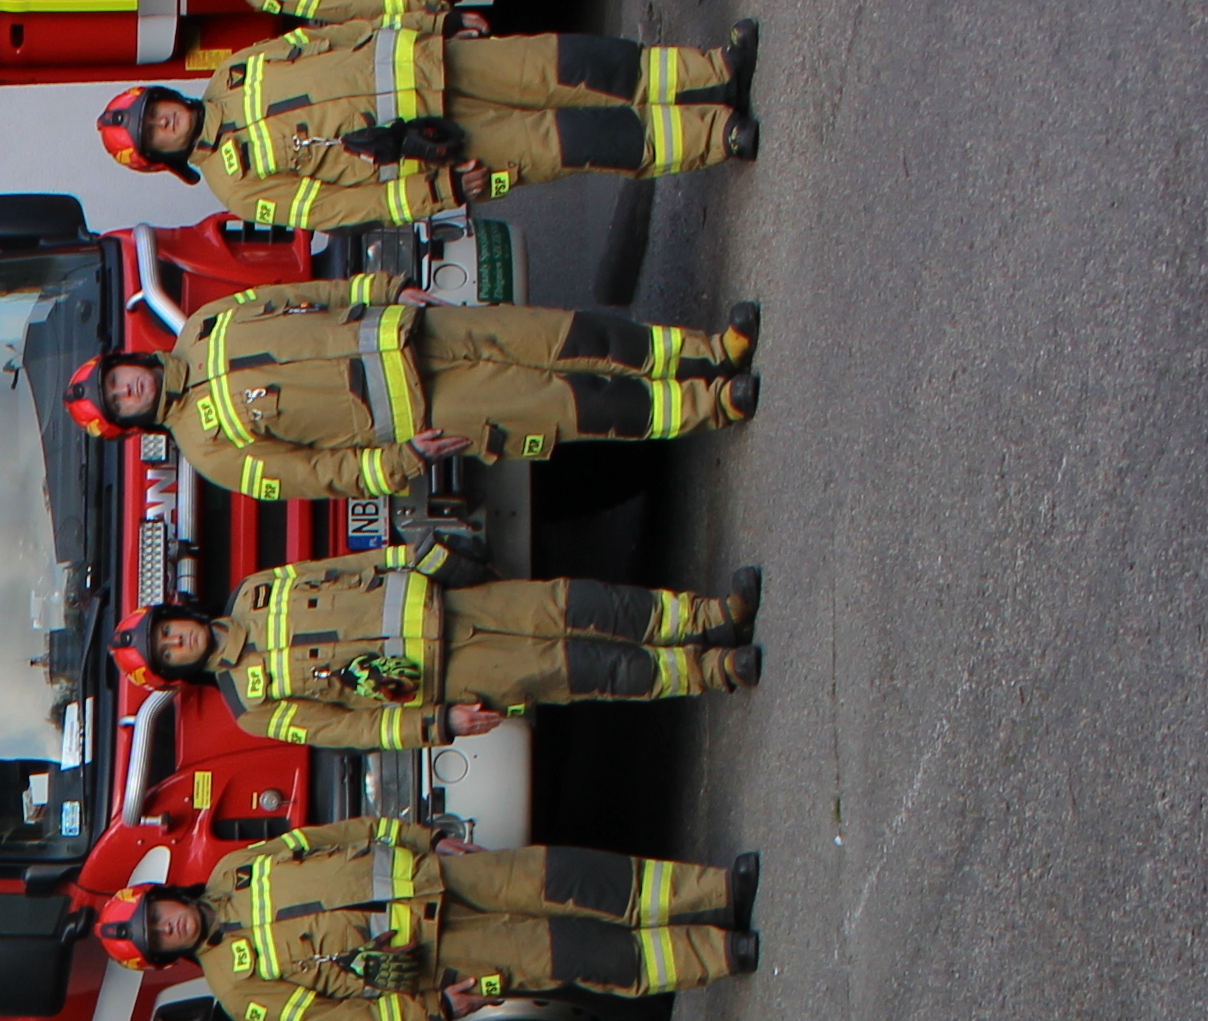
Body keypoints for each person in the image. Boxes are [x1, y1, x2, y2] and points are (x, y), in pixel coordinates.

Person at [77, 280, 757, 505]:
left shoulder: (204, 324)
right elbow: (321, 475)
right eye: (120, 401)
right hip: (430, 412)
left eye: (117, 379)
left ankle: (709, 351)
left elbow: (304, 296)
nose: (128, 388)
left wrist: (384, 288)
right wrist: (406, 460)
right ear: (132, 421)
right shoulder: (209, 452)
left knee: (567, 334)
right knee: (574, 406)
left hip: (418, 330)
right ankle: (714, 405)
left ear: (125, 361)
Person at [115, 815, 753, 1021]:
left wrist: (426, 837)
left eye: (158, 915)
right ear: (167, 956)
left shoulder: (234, 869)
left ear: (165, 896)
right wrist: (435, 1011)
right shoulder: (237, 990)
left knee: (574, 877)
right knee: (583, 955)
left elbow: (339, 835)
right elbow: (345, 1020)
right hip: (440, 955)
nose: (169, 925)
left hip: (439, 876)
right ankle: (720, 952)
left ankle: (718, 891)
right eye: (160, 937)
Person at [107, 15, 753, 229]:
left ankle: (714, 71)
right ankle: (717, 135)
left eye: (156, 110)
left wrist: (432, 23)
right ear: (164, 155)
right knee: (576, 141)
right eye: (155, 131)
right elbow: (342, 210)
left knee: (576, 62)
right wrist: (437, 192)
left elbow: (335, 36)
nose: (165, 120)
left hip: (440, 62)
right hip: (438, 149)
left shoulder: (231, 73)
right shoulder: (236, 188)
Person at [132, 556, 758, 749]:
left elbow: (352, 566)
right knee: (586, 669)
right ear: (175, 671)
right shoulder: (251, 708)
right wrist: (439, 723)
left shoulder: (255, 590)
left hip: (453, 604)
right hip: (449, 677)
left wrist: (428, 557)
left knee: (577, 603)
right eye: (167, 653)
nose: (177, 641)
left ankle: (712, 616)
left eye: (168, 630)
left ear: (177, 614)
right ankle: (713, 670)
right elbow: (355, 730)